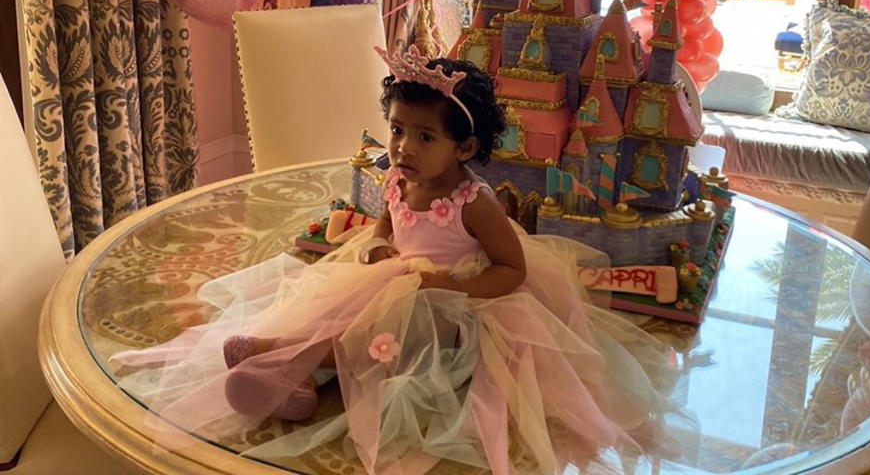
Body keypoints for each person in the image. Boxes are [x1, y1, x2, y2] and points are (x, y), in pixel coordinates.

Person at [111, 47, 670, 473]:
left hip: (451, 306)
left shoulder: (474, 203)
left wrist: (447, 285)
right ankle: (295, 376)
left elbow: (512, 269)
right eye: (398, 130)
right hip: (395, 278)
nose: (403, 147)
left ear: (465, 149)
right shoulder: (398, 178)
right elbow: (389, 221)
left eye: (424, 137)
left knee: (369, 328)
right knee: (340, 312)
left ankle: (281, 358)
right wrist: (380, 242)